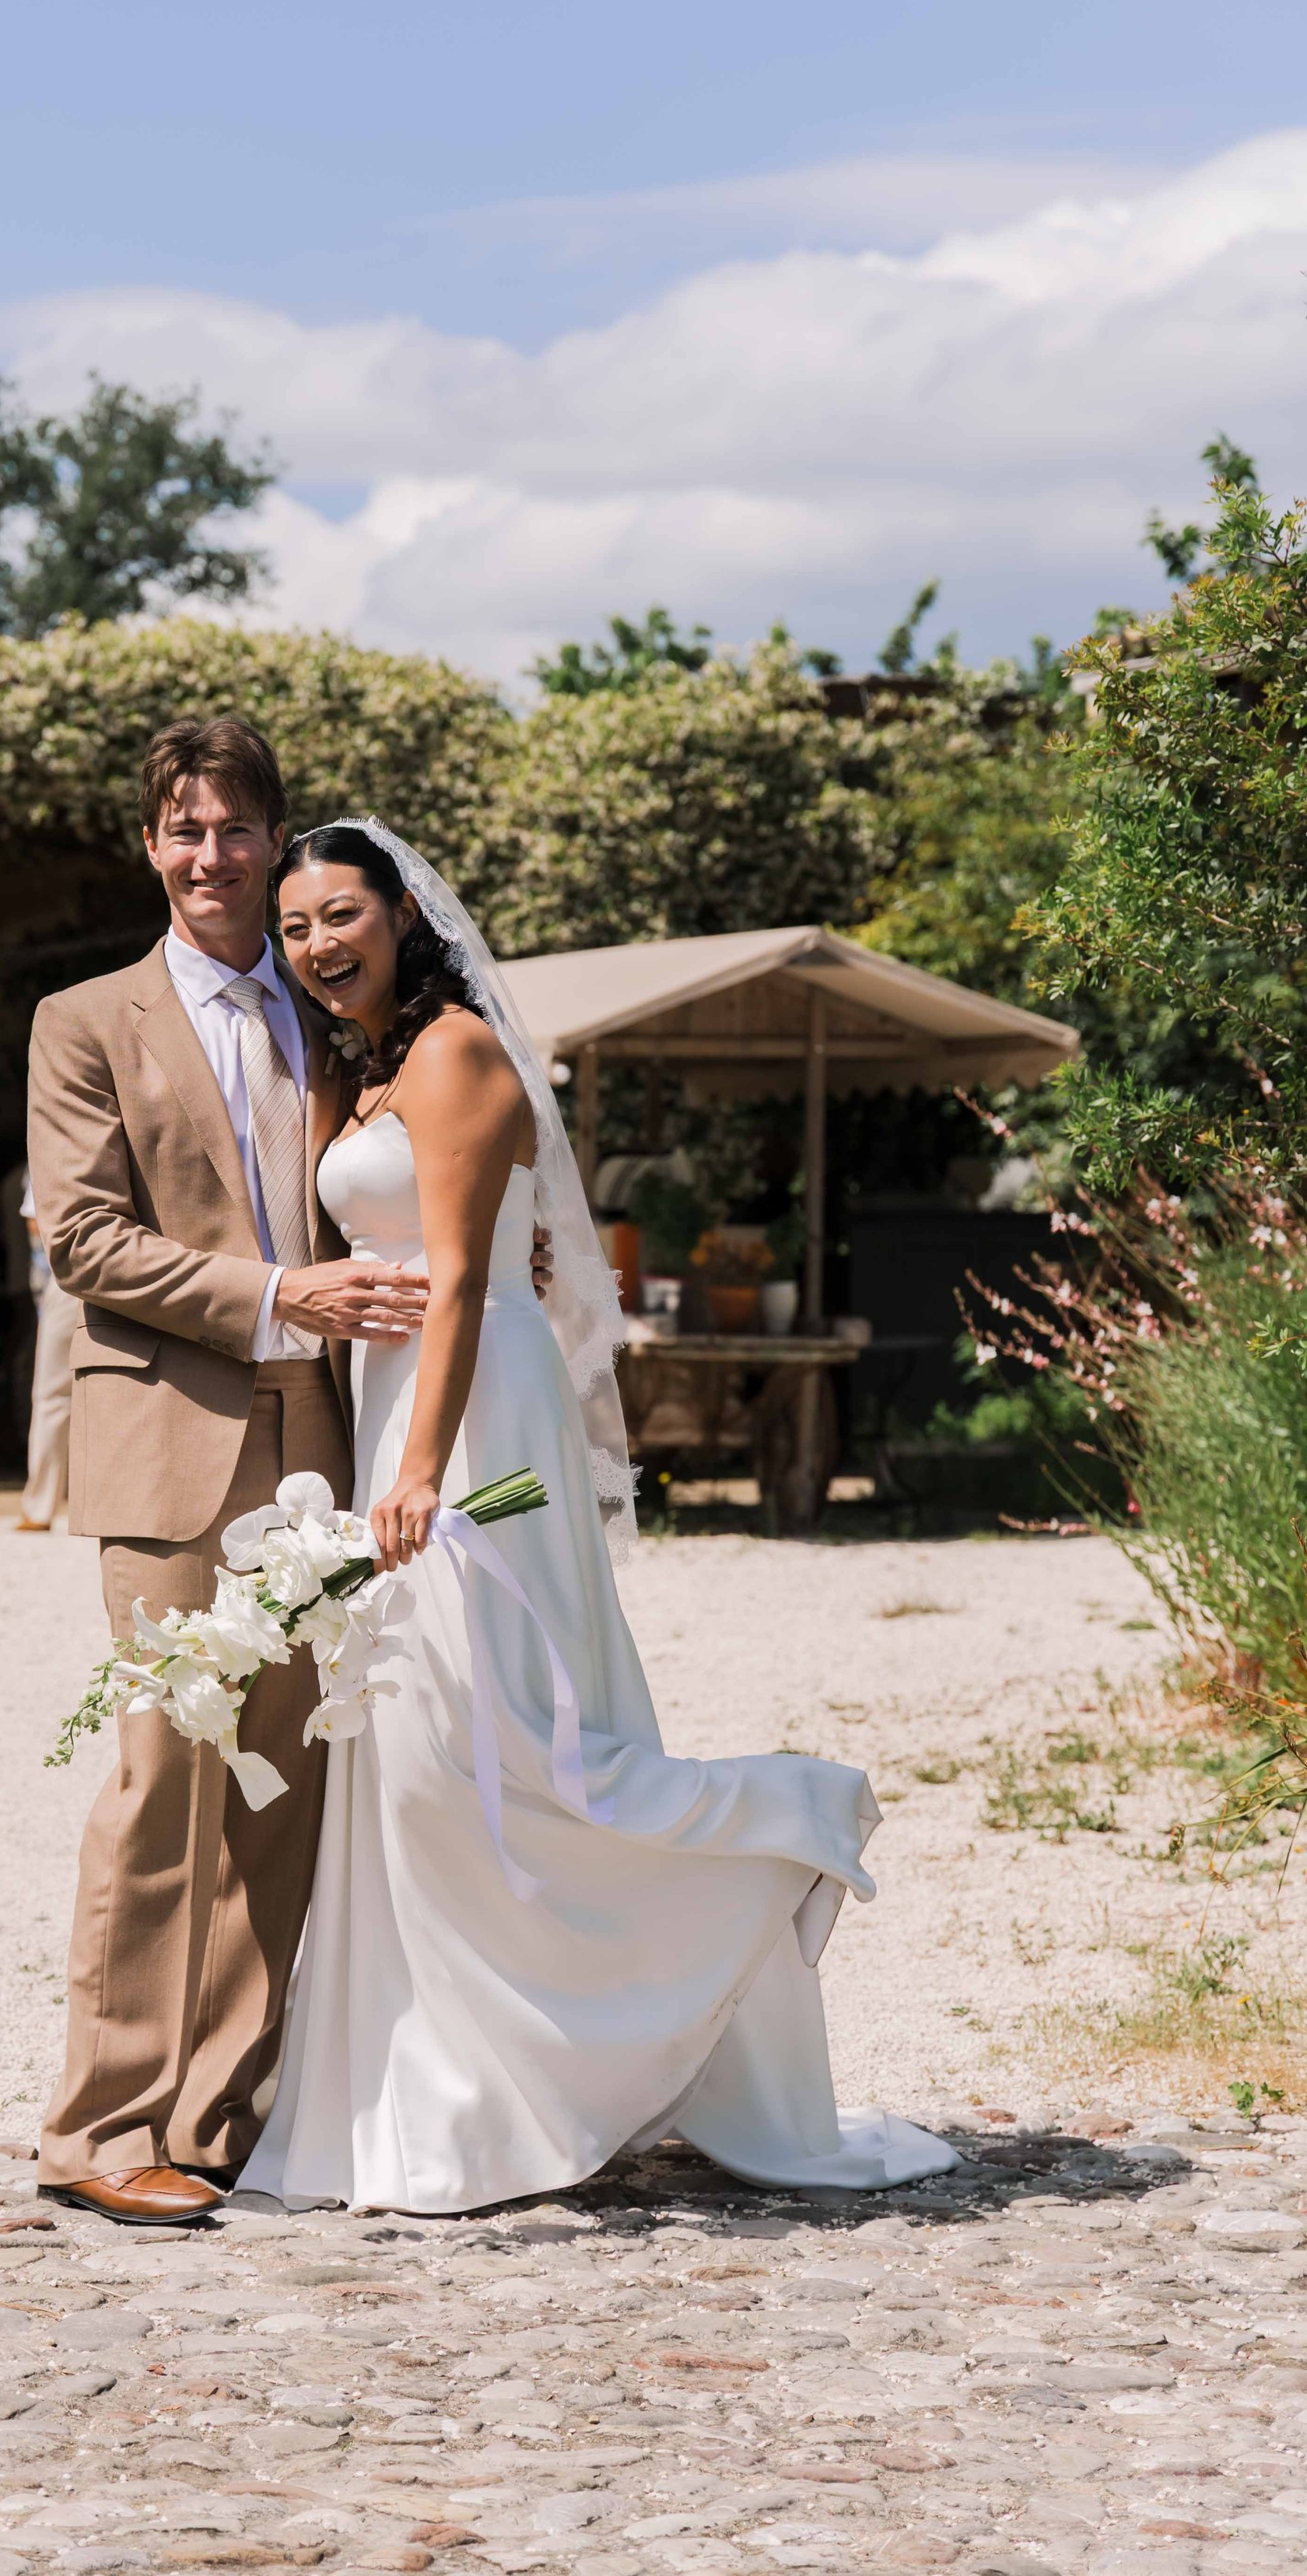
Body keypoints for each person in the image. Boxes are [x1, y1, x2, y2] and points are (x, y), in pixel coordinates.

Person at [238, 818, 958, 2216]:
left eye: (342, 914)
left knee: (483, 1732)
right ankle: (442, 2090)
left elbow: (458, 1285)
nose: (320, 944)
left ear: (401, 913)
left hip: (480, 1430)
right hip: (406, 1405)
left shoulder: (453, 1052)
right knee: (413, 1745)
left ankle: (775, 1824)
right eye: (299, 927)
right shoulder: (369, 1068)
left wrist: (423, 1471)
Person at [23, 719, 432, 2227]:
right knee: (158, 1781)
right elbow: (83, 1241)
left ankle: (222, 2115)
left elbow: (410, 1164)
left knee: (284, 1784)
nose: (211, 857)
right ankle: (103, 2123)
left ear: (274, 841)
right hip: (165, 1442)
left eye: (236, 830)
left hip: (325, 1443)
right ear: (151, 846)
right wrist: (283, 1298)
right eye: (183, 830)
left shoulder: (336, 1012)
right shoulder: (84, 1021)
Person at [16, 1174, 75, 1531]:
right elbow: (35, 1221)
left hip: (78, 1273)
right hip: (74, 1273)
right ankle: (41, 1504)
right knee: (54, 1394)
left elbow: (35, 1222)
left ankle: (43, 1505)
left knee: (53, 1396)